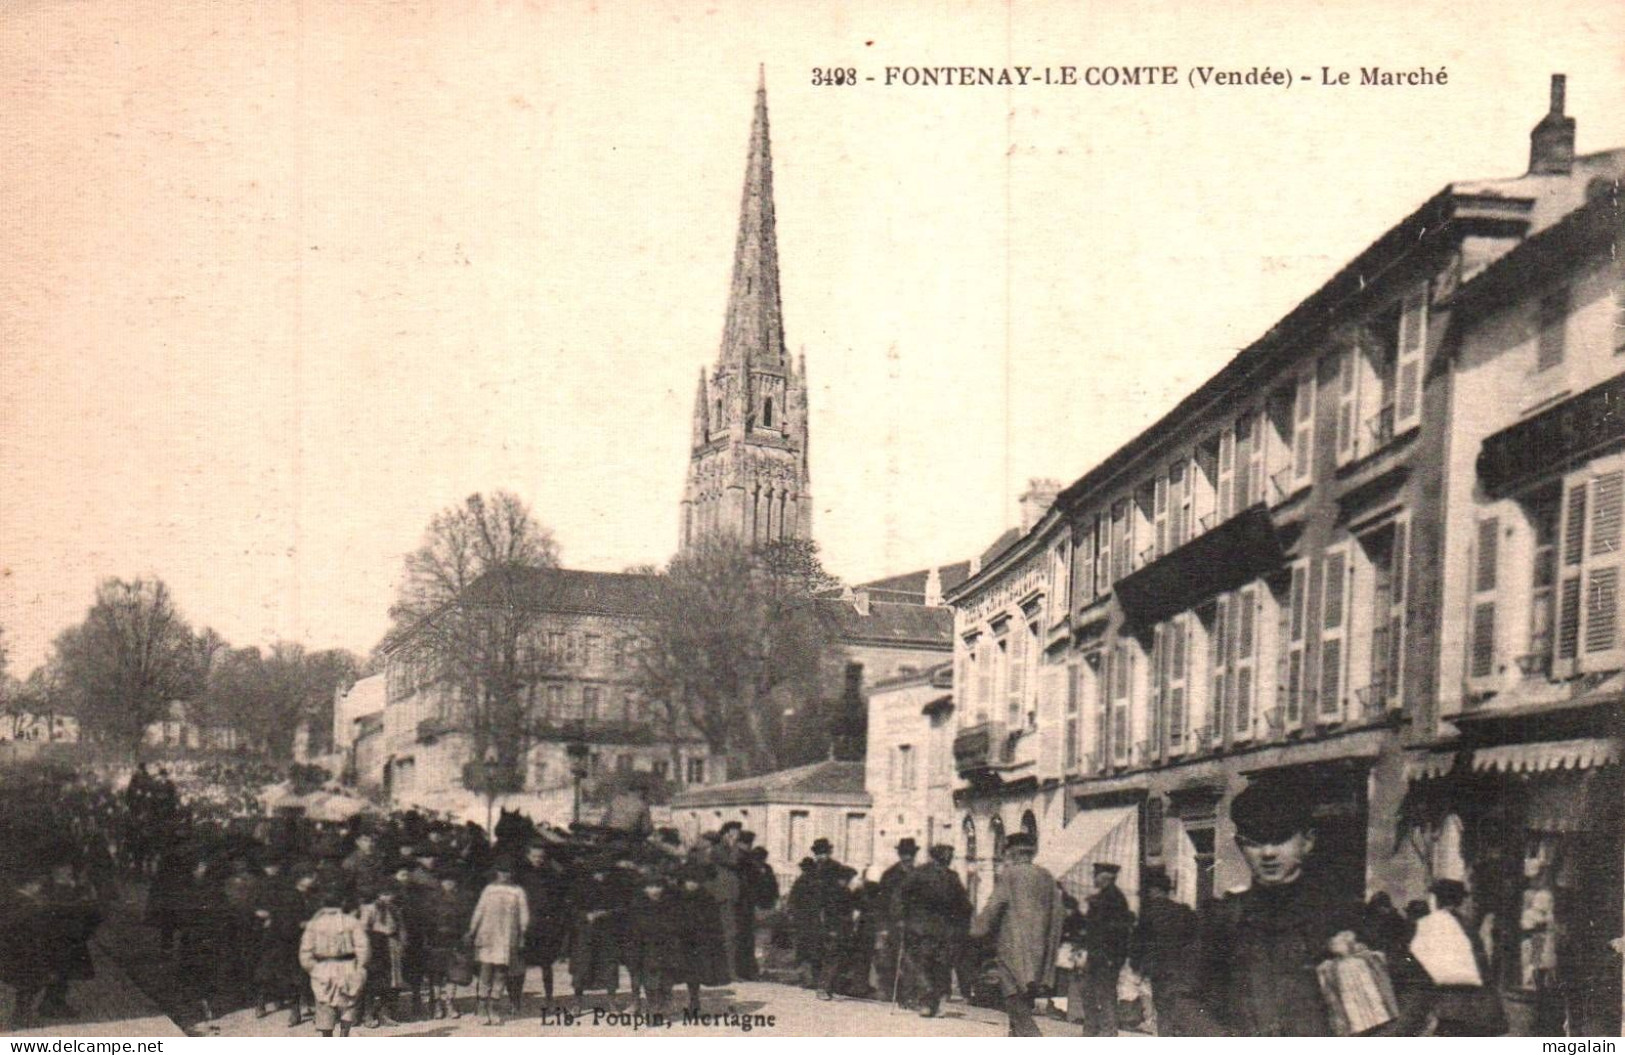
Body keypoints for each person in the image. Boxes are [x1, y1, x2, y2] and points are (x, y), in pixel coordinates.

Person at [1193, 775, 1364, 1036]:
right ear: (1240, 846)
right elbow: (1184, 996)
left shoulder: (1343, 915)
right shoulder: (1223, 920)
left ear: (1307, 841)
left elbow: (1415, 991)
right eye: (1256, 840)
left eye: (1281, 837)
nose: (1268, 852)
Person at [968, 831, 1066, 1036]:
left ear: (1012, 852)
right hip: (1041, 950)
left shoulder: (1010, 875)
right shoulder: (1046, 876)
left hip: (1013, 947)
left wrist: (976, 930)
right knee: (1025, 996)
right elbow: (1058, 913)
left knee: (1012, 996)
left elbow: (994, 906)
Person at [1415, 879, 1507, 1036]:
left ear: (1438, 899)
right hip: (1474, 1000)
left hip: (1451, 1000)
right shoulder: (1466, 924)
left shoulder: (1436, 923)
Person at [898, 843, 971, 1018]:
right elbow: (902, 896)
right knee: (926, 964)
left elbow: (963, 904)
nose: (948, 860)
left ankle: (931, 1003)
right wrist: (902, 919)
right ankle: (927, 1002)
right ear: (938, 857)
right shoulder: (923, 874)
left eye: (950, 857)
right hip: (924, 928)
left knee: (936, 966)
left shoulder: (949, 877)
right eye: (946, 856)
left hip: (937, 930)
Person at [1130, 865, 1198, 1036]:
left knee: (1164, 1009)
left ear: (1154, 890)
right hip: (1182, 969)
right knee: (1179, 1008)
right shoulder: (1183, 911)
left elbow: (1139, 941)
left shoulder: (1150, 913)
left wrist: (1136, 964)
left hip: (1159, 970)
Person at [299, 886, 371, 1037]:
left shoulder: (314, 924)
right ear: (343, 903)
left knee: (324, 1005)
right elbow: (363, 947)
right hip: (348, 965)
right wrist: (360, 967)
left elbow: (305, 952)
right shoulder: (351, 922)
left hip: (323, 966)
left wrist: (313, 969)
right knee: (349, 1003)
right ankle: (344, 1036)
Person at [467, 858, 529, 1026]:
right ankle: (481, 1007)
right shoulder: (489, 889)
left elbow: (523, 914)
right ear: (496, 872)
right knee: (485, 971)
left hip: (508, 936)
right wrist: (472, 930)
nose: (504, 875)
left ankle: (494, 1007)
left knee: (501, 972)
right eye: (501, 871)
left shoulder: (517, 891)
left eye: (507, 872)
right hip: (488, 934)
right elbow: (479, 910)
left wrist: (522, 933)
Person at [1079, 861, 1135, 1035]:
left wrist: (1111, 957)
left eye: (1095, 876)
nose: (1093, 879)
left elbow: (1115, 931)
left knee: (1105, 994)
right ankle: (1094, 1028)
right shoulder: (1107, 897)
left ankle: (1107, 1032)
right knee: (1090, 991)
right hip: (1100, 954)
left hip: (1105, 956)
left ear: (1105, 878)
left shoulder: (1113, 899)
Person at [515, 840, 570, 1009]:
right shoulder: (520, 875)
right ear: (528, 856)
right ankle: (515, 1001)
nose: (537, 859)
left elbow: (558, 899)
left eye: (541, 856)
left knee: (546, 964)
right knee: (520, 965)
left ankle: (549, 997)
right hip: (525, 925)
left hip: (545, 926)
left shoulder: (551, 874)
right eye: (534, 856)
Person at [875, 837, 918, 1004]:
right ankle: (894, 993)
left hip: (914, 925)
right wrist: (883, 927)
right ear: (900, 855)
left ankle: (909, 996)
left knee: (912, 960)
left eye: (910, 855)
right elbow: (882, 903)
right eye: (904, 854)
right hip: (893, 924)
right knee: (892, 960)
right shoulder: (890, 875)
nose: (907, 858)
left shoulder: (918, 874)